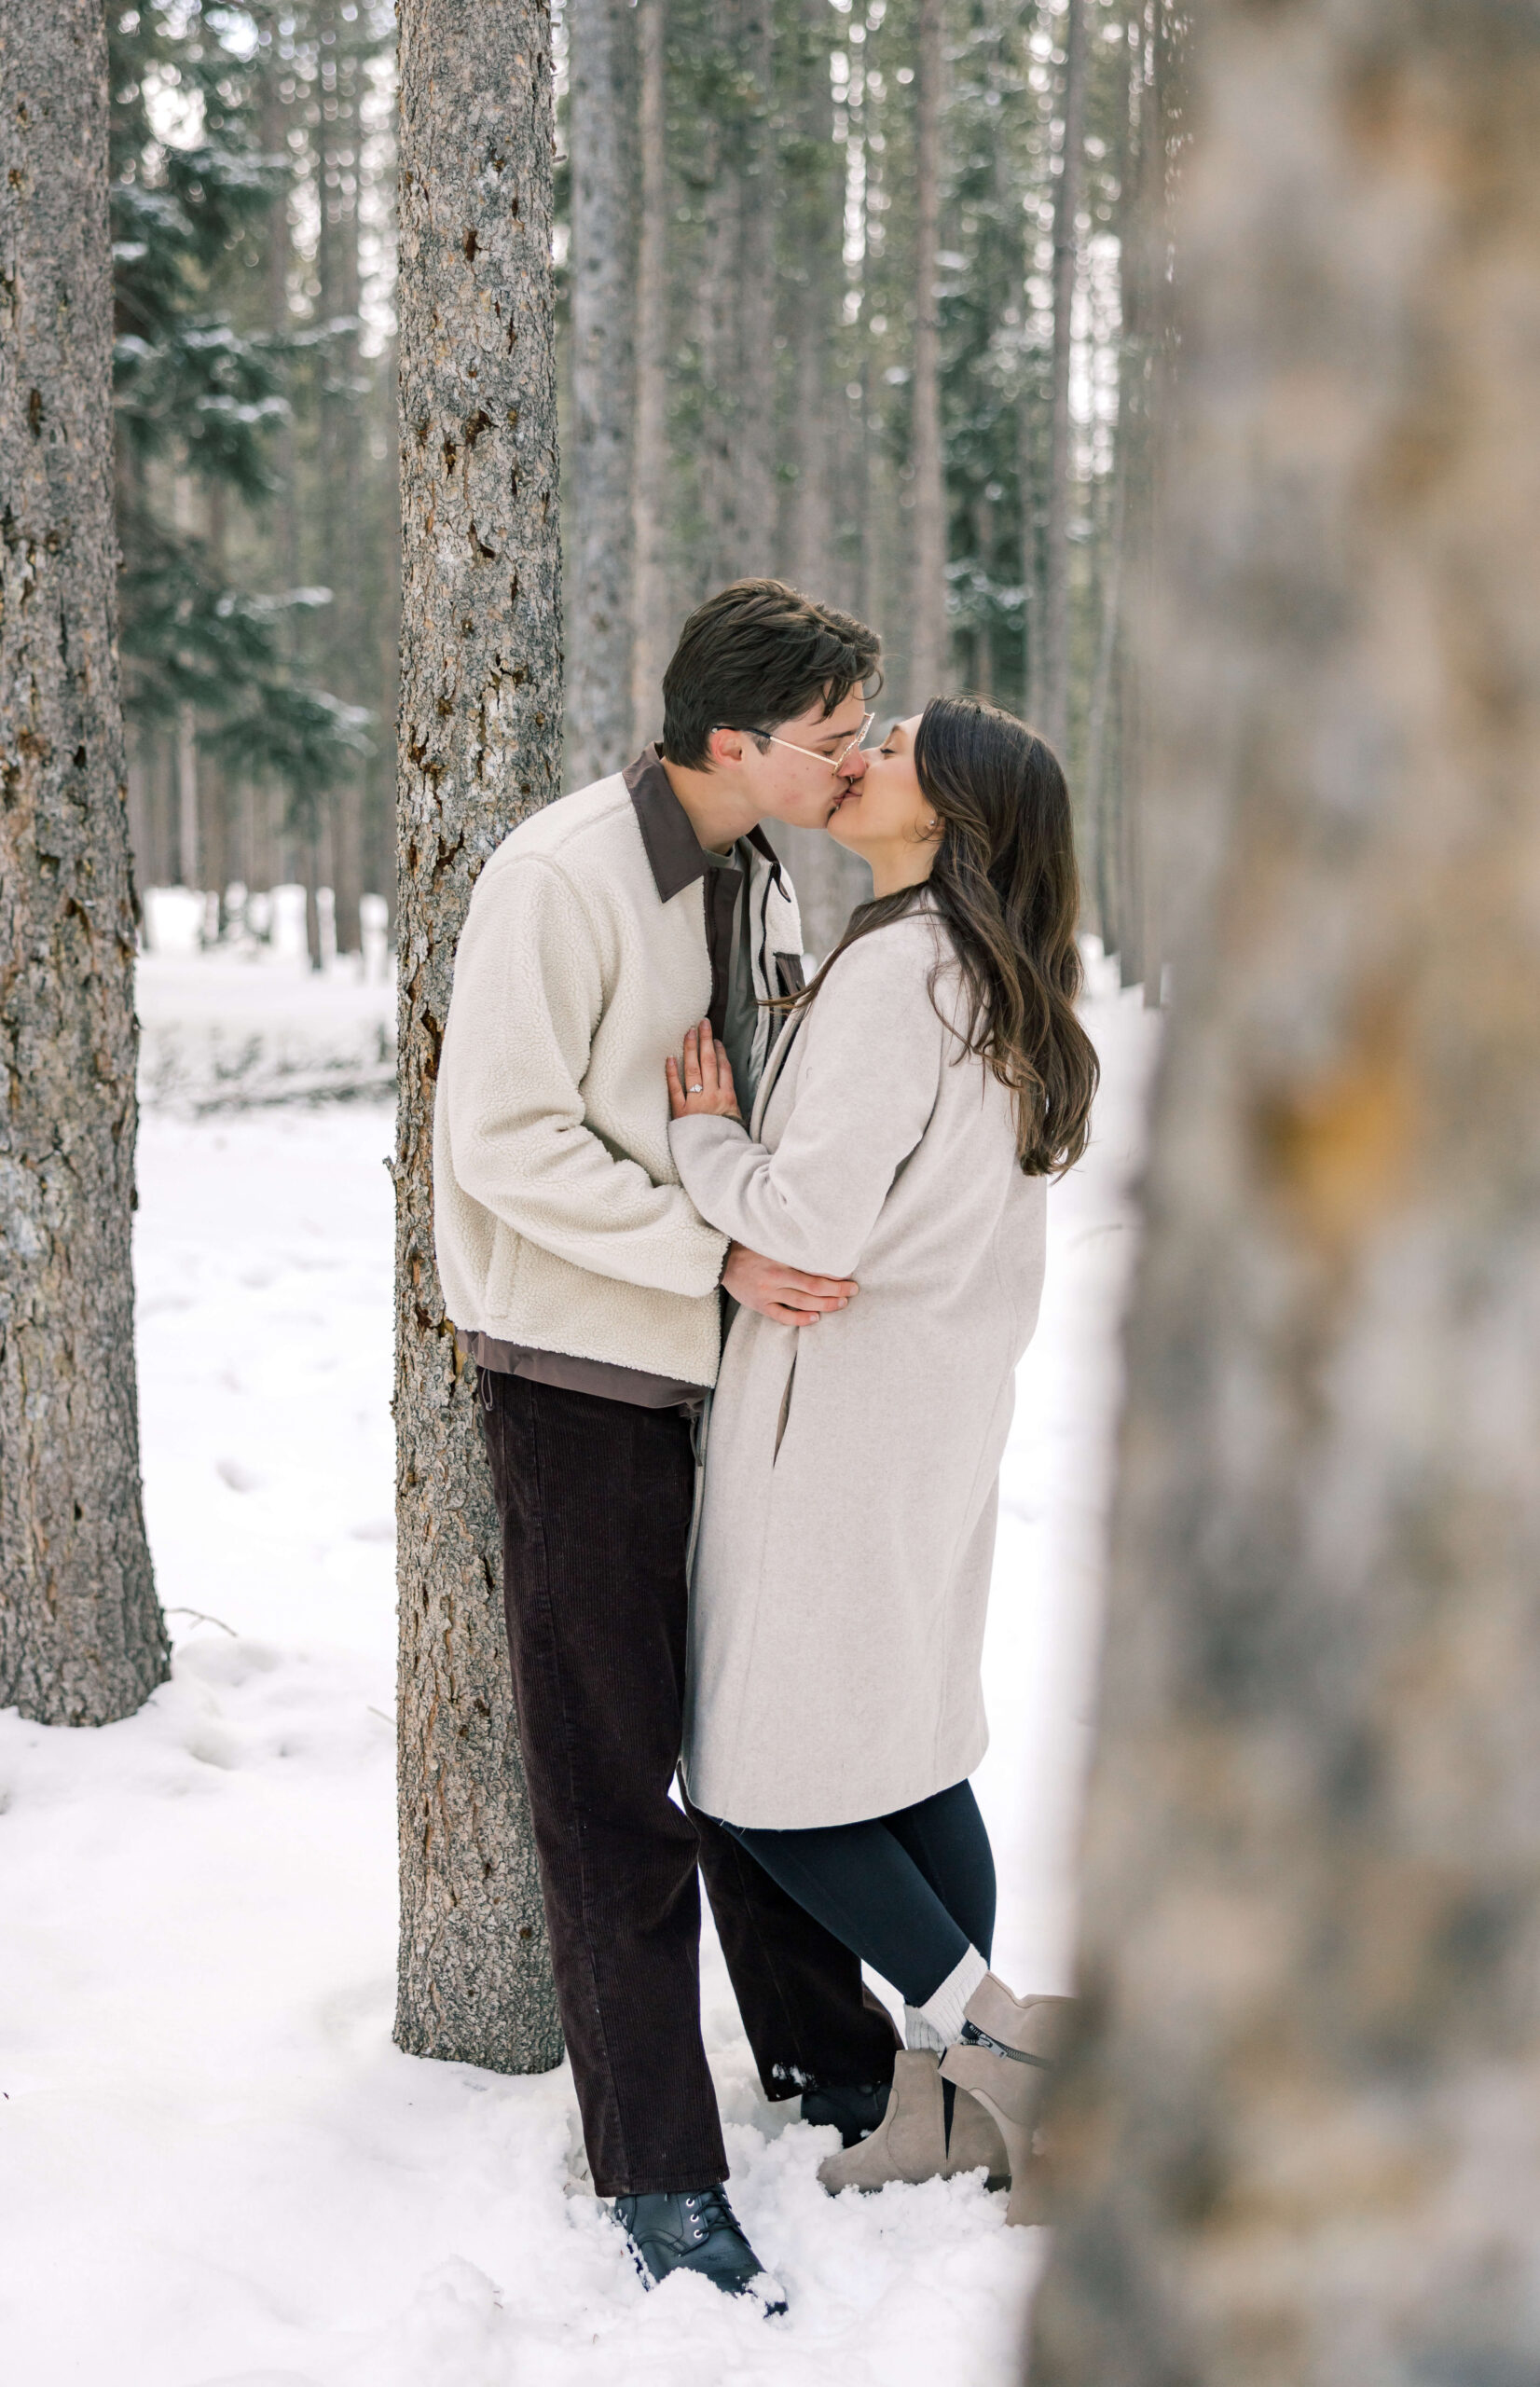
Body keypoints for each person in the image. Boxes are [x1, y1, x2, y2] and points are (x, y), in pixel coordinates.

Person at [432, 580, 905, 2312]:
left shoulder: (764, 873)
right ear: (733, 740)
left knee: (766, 1739)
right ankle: (659, 2167)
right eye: (834, 734)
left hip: (731, 1375)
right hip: (583, 1382)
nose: (858, 757)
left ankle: (828, 2058)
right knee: (613, 1780)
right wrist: (711, 1249)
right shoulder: (555, 880)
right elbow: (501, 1142)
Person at [665, 695, 1101, 2224]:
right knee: (911, 1747)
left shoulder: (901, 971)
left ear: (954, 818)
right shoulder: (1006, 986)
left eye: (901, 748)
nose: (864, 758)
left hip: (836, 1422)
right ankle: (951, 2110)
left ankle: (1002, 2038)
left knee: (760, 1776)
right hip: (935, 1415)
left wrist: (707, 1138)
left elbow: (805, 1225)